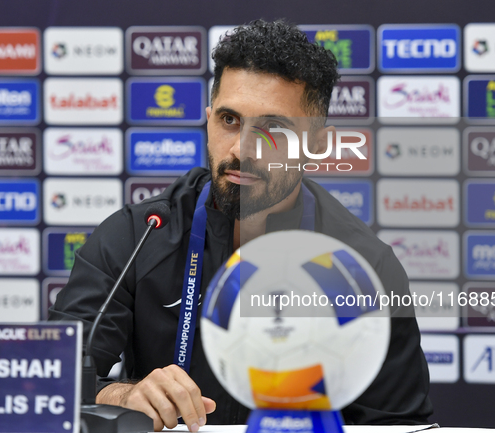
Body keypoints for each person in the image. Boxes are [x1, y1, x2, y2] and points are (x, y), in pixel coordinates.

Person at [49, 19, 433, 432]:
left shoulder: (365, 266)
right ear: (210, 118)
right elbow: (51, 380)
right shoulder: (136, 236)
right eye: (230, 120)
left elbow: (398, 425)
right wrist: (123, 395)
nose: (242, 150)